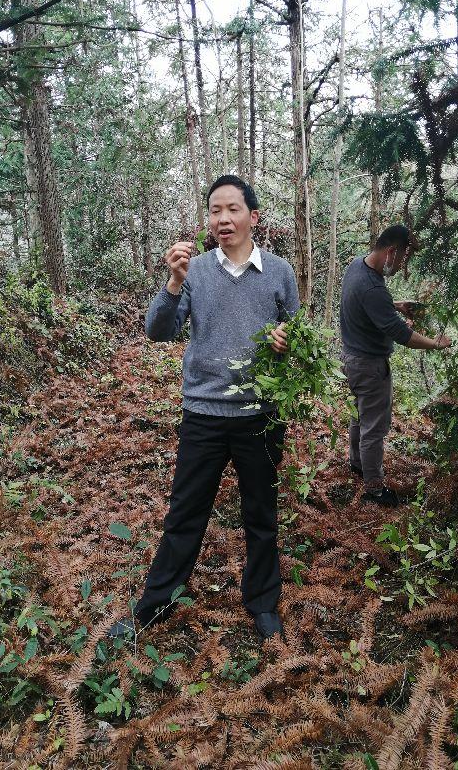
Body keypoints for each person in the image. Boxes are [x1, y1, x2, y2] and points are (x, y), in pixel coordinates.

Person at [109, 175, 299, 642]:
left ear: (254, 218)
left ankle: (263, 604)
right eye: (215, 210)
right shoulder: (193, 271)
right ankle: (154, 606)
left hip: (260, 416)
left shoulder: (278, 272)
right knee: (185, 514)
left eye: (233, 209)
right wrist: (173, 281)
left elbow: (297, 339)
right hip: (204, 415)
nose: (223, 219)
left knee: (261, 514)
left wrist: (286, 342)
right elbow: (159, 332)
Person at [340, 224, 451, 506]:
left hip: (351, 359)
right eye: (401, 258)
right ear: (390, 252)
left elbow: (368, 304)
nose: (401, 265)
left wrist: (396, 304)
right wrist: (435, 343)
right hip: (370, 366)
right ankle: (375, 489)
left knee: (360, 416)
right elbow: (402, 335)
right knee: (374, 428)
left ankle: (357, 463)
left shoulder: (357, 266)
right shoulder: (373, 288)